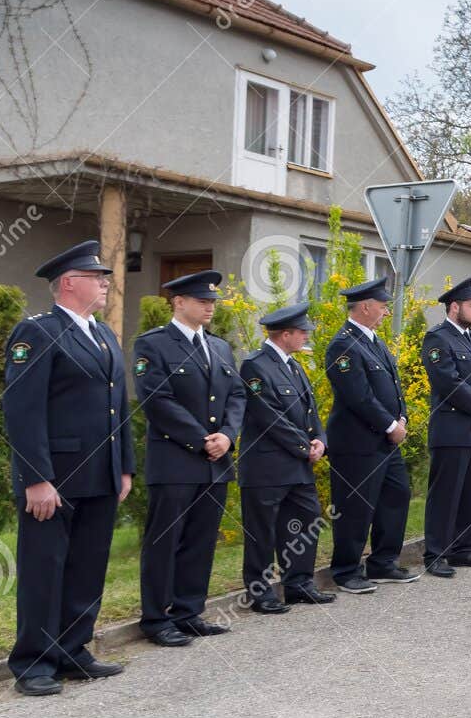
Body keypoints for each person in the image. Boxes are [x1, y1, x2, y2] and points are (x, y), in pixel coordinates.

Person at [2, 240, 135, 695]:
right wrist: (37, 479)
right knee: (45, 567)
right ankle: (34, 662)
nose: (104, 284)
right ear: (69, 283)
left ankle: (72, 650)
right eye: (97, 278)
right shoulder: (37, 332)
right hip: (55, 476)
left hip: (100, 473)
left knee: (87, 566)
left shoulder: (103, 335)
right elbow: (22, 411)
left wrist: (124, 467)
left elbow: (119, 407)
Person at [133, 269, 244, 648]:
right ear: (178, 302)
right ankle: (156, 617)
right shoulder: (154, 345)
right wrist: (201, 440)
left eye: (212, 301)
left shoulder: (220, 347)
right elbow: (156, 399)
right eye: (202, 301)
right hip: (176, 460)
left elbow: (237, 396)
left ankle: (188, 611)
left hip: (215, 461)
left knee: (200, 539)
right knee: (165, 540)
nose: (210, 307)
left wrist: (227, 436)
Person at [324, 277, 417, 594]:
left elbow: (392, 386)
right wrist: (392, 427)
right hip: (357, 443)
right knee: (355, 506)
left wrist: (401, 415)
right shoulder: (343, 345)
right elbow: (358, 396)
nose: (386, 312)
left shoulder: (374, 342)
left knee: (397, 495)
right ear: (364, 307)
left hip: (384, 442)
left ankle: (383, 562)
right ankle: (347, 571)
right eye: (382, 305)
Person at [239, 303, 332, 613]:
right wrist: (305, 447)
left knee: (306, 520)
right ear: (285, 334)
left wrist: (320, 439)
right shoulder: (255, 366)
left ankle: (299, 583)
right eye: (302, 331)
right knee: (262, 530)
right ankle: (260, 591)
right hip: (267, 466)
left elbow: (310, 411)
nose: (306, 335)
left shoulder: (294, 365)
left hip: (297, 465)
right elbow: (270, 417)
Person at [421, 277, 471, 575]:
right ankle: (436, 553)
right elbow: (448, 382)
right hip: (452, 429)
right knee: (446, 493)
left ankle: (464, 548)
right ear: (454, 307)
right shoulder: (438, 338)